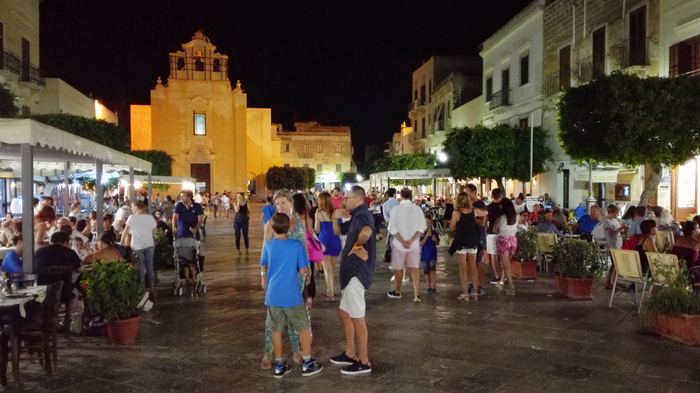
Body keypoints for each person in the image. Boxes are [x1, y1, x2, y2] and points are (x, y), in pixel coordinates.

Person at [260, 213, 322, 378]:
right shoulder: (296, 245)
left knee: (276, 329)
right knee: (302, 327)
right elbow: (303, 270)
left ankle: (279, 364)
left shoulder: (269, 245)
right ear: (289, 227)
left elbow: (264, 263)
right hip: (292, 294)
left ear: (272, 229)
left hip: (273, 294)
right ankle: (308, 363)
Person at [330, 185, 375, 375]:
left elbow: (367, 231)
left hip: (357, 272)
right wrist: (334, 217)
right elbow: (338, 231)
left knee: (357, 318)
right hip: (350, 273)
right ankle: (350, 352)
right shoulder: (356, 214)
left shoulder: (362, 214)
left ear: (357, 199)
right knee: (343, 313)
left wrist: (357, 245)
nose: (343, 200)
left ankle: (364, 361)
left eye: (346, 198)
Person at [387, 188, 426, 302]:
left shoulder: (396, 209)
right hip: (414, 244)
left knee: (398, 268)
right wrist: (412, 239)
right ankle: (416, 294)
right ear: (411, 196)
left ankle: (397, 291)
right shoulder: (417, 209)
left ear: (401, 196)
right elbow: (422, 227)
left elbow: (392, 228)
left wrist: (403, 240)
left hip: (399, 244)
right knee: (415, 268)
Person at [449, 192, 488, 300]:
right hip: (472, 240)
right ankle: (475, 292)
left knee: (463, 268)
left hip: (461, 241)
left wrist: (453, 223)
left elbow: (452, 228)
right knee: (473, 267)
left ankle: (465, 293)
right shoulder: (474, 211)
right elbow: (485, 212)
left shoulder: (456, 212)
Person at [34, 232, 82, 316]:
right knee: (76, 291)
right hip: (64, 291)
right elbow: (79, 268)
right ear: (65, 242)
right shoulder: (70, 253)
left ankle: (46, 318)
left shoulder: (39, 252)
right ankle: (66, 319)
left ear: (50, 240)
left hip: (42, 291)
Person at [122, 201, 157, 295]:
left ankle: (141, 288)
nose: (132, 209)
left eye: (133, 207)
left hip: (137, 246)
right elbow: (155, 232)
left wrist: (121, 242)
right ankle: (152, 287)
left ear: (137, 207)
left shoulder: (132, 218)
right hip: (149, 244)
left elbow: (125, 231)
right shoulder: (150, 218)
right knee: (150, 266)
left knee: (140, 267)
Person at [172, 190, 204, 284]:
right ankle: (185, 276)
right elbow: (175, 217)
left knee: (194, 255)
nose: (181, 198)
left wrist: (196, 228)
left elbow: (200, 219)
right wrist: (174, 227)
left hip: (193, 235)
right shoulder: (179, 205)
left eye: (184, 196)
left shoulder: (197, 206)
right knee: (182, 256)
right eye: (181, 196)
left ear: (190, 197)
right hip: (181, 234)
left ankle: (194, 275)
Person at [315, 192, 341, 301]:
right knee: (332, 268)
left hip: (324, 242)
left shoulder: (318, 213)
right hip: (335, 241)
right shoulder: (336, 213)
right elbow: (339, 230)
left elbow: (317, 229)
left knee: (327, 269)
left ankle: (331, 294)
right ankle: (331, 290)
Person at [495, 198, 518, 296]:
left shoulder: (501, 218)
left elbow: (495, 229)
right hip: (513, 241)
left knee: (506, 265)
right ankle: (502, 281)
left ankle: (511, 287)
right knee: (506, 263)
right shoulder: (517, 217)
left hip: (503, 241)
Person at [486, 189, 503, 285]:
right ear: (500, 196)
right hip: (503, 232)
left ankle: (497, 275)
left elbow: (486, 220)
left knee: (494, 255)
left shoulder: (488, 207)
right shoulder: (503, 207)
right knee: (503, 255)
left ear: (492, 197)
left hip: (492, 232)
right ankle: (504, 276)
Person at [420, 215, 439, 294]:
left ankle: (434, 286)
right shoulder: (421, 233)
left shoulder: (434, 232)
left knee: (432, 270)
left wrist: (435, 240)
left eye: (428, 222)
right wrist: (427, 235)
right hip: (424, 255)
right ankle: (428, 286)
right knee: (426, 272)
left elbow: (438, 242)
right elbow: (420, 243)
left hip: (432, 254)